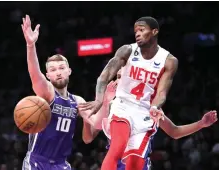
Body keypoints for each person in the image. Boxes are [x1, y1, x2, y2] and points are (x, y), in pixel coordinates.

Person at [78, 16, 179, 170]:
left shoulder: (169, 60)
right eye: (135, 30)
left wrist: (155, 107)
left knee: (134, 164)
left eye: (142, 30)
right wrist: (99, 100)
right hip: (123, 105)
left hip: (144, 111)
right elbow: (104, 77)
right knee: (116, 148)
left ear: (154, 31)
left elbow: (162, 93)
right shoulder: (127, 50)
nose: (137, 33)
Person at [79, 70, 218, 170]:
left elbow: (174, 131)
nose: (120, 80)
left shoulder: (150, 105)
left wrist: (201, 124)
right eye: (118, 76)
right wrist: (89, 116)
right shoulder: (110, 102)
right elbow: (88, 138)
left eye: (124, 77)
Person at [21, 15, 94, 170]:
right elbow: (35, 73)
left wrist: (105, 103)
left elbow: (89, 137)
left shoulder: (78, 101)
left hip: (61, 165)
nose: (58, 72)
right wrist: (30, 45)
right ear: (48, 76)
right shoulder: (47, 93)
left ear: (69, 71)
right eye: (53, 70)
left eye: (61, 68)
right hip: (37, 162)